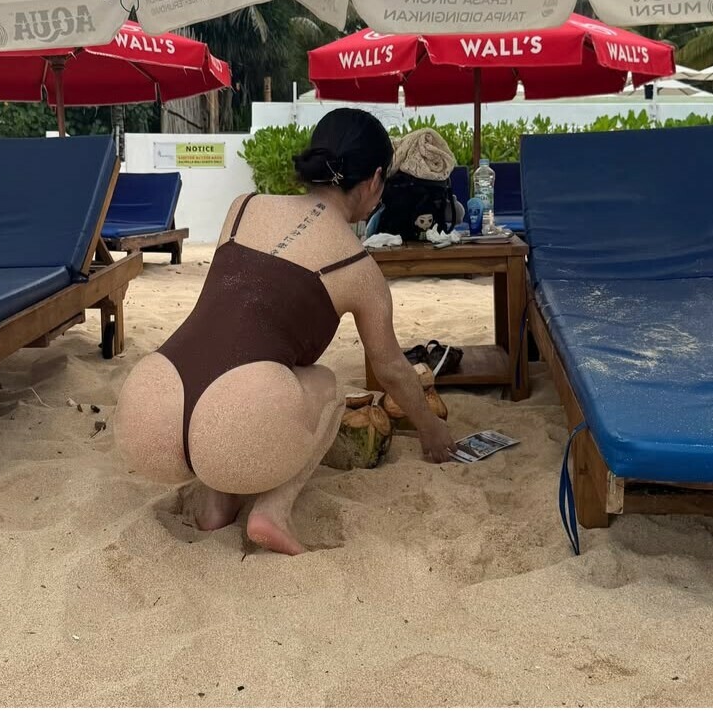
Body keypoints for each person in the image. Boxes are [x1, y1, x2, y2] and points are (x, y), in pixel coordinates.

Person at [115, 108, 457, 555]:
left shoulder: (243, 207)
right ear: (376, 180)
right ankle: (272, 512)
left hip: (149, 407)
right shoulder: (358, 266)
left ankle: (217, 504)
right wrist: (430, 429)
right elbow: (391, 368)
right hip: (235, 418)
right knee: (328, 384)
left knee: (234, 357)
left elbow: (235, 315)